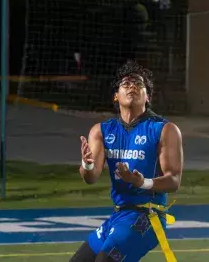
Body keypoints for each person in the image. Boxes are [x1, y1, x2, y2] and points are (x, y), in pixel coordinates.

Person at [70, 60, 183, 262]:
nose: (132, 87)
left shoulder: (164, 129)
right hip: (119, 216)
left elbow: (173, 181)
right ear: (116, 96)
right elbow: (91, 178)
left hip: (147, 217)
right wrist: (87, 164)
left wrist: (143, 182)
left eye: (139, 84)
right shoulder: (101, 131)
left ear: (147, 97)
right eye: (126, 84)